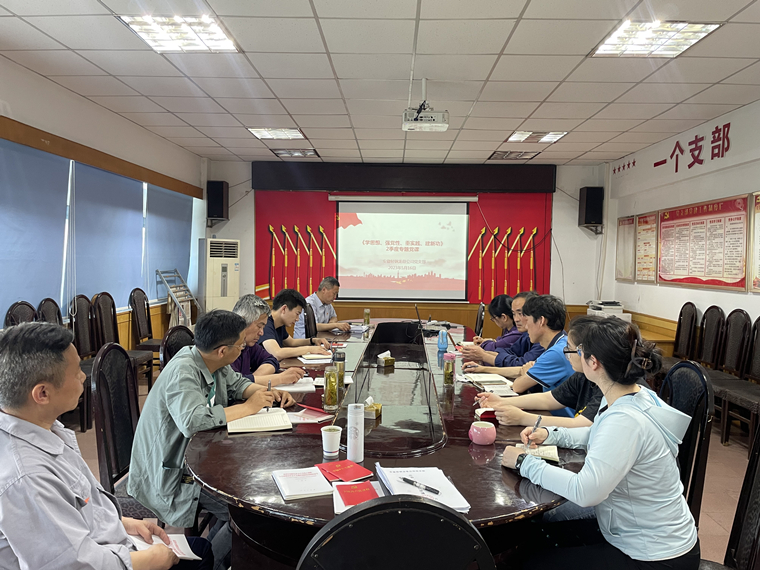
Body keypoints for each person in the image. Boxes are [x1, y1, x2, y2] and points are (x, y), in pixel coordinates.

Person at [0, 322, 213, 570]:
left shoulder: (43, 427)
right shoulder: (26, 477)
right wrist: (149, 560)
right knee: (200, 557)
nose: (83, 377)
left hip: (104, 544)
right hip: (99, 561)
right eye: (76, 372)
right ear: (43, 394)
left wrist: (123, 523)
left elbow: (81, 507)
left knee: (201, 550)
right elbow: (73, 565)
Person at [502, 316, 700, 570]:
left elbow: (586, 492)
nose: (571, 355)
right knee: (530, 540)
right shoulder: (633, 395)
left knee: (528, 562)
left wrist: (524, 463)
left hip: (655, 557)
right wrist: (550, 434)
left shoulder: (625, 420)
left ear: (593, 362)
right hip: (641, 537)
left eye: (576, 351)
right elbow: (597, 433)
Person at [129, 310, 295, 570]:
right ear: (222, 351)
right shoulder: (183, 371)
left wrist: (268, 394)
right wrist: (248, 408)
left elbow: (237, 384)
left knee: (243, 500)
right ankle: (211, 564)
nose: (243, 349)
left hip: (201, 455)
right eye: (240, 346)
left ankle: (211, 553)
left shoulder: (211, 360)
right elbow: (192, 421)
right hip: (172, 470)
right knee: (248, 514)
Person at [476, 316, 602, 429]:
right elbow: (548, 398)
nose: (566, 353)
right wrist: (500, 402)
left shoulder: (606, 385)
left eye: (569, 348)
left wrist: (523, 418)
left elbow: (583, 424)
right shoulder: (582, 375)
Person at [231, 294, 305, 386]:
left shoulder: (248, 345)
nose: (261, 333)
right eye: (259, 326)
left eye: (263, 327)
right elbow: (232, 383)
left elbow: (271, 359)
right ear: (243, 322)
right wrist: (279, 378)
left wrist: (252, 380)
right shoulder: (227, 347)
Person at [461, 291, 544, 370]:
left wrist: (484, 356)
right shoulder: (526, 335)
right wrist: (482, 354)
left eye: (520, 313)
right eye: (514, 314)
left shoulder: (541, 340)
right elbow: (510, 352)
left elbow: (521, 365)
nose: (516, 319)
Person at [258, 288, 332, 361]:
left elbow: (291, 342)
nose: (297, 319)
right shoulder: (265, 324)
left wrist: (313, 340)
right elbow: (277, 353)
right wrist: (309, 349)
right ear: (284, 309)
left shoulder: (279, 323)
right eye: (297, 314)